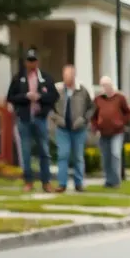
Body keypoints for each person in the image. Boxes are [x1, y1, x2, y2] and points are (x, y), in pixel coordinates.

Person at [6, 47, 58, 192]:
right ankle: (28, 181)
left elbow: (54, 97)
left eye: (34, 61)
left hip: (40, 118)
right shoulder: (18, 78)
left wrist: (40, 97)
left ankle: (46, 182)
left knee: (44, 151)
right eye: (29, 61)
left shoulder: (46, 78)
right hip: (24, 119)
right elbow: (10, 97)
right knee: (26, 151)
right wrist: (25, 96)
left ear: (38, 62)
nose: (31, 64)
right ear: (25, 62)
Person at [49, 65, 93, 193]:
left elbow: (91, 108)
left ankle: (78, 183)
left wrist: (83, 119)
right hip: (62, 129)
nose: (67, 78)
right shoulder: (57, 90)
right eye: (65, 76)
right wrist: (58, 119)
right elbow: (50, 108)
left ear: (74, 76)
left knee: (78, 156)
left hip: (78, 129)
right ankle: (62, 184)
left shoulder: (82, 91)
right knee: (63, 155)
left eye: (69, 76)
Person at [90, 76, 130, 188]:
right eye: (102, 85)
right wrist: (95, 127)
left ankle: (116, 181)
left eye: (106, 85)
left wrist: (122, 122)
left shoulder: (120, 98)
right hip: (103, 132)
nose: (104, 87)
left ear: (111, 85)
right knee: (106, 157)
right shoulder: (98, 99)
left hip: (117, 132)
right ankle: (109, 181)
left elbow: (128, 112)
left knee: (115, 155)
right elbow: (93, 115)